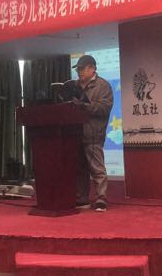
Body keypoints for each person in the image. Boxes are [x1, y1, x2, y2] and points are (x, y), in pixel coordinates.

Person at [71, 54, 113, 212]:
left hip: (94, 133)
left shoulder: (103, 86)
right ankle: (82, 199)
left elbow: (104, 108)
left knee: (97, 168)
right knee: (80, 168)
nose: (79, 72)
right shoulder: (75, 85)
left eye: (82, 69)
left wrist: (84, 105)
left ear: (93, 68)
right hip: (76, 133)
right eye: (78, 69)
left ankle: (101, 198)